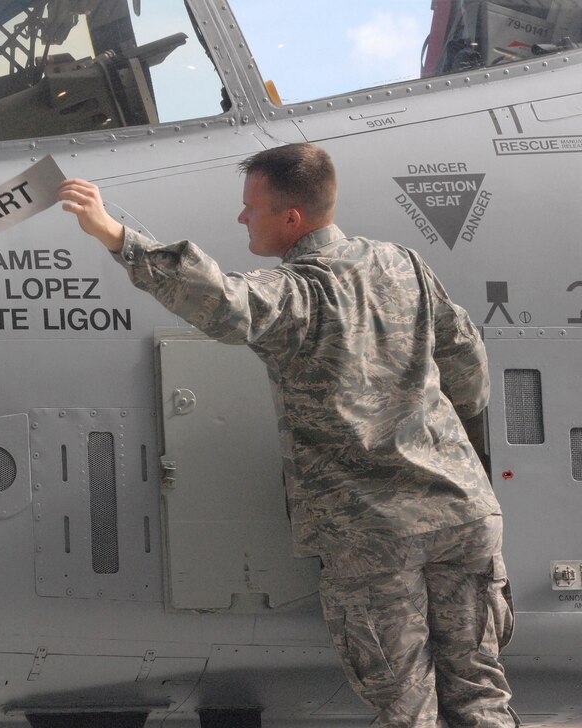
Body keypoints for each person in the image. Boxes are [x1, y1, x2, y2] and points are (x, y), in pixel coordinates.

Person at [58, 143, 517, 727]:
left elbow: (223, 301)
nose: (242, 217)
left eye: (252, 208)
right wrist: (453, 451)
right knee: (480, 693)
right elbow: (467, 364)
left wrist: (116, 236)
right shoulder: (404, 265)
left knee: (406, 706)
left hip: (373, 530)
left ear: (291, 218)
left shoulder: (299, 292)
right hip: (462, 512)